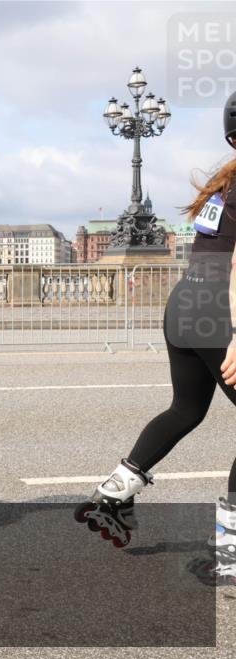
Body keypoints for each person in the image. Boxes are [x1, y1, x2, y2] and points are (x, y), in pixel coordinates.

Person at [76, 92, 236, 573]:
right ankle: (231, 548)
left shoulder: (225, 184)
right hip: (219, 310)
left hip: (184, 304)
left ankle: (115, 493)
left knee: (186, 407)